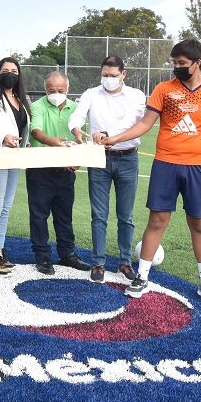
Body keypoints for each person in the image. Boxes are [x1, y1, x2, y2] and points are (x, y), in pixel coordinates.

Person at [106, 39, 201, 306]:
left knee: (198, 223)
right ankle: (141, 276)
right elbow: (145, 124)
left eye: (182, 64)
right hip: (166, 164)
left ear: (197, 63)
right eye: (174, 63)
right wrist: (116, 138)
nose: (176, 68)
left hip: (199, 167)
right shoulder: (163, 89)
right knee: (157, 220)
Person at [68, 55, 146, 283]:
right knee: (99, 215)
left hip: (128, 158)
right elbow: (77, 116)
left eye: (113, 75)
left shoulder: (136, 96)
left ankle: (125, 262)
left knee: (126, 215)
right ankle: (98, 263)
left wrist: (109, 135)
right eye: (105, 75)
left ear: (124, 74)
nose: (108, 79)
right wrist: (76, 129)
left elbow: (137, 125)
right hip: (99, 158)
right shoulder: (91, 94)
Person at [26, 72, 92, 275]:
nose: (56, 94)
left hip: (65, 171)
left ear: (68, 89)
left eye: (60, 91)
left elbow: (80, 138)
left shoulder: (76, 109)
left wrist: (77, 160)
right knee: (39, 215)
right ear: (45, 89)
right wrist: (54, 142)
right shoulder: (37, 106)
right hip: (40, 169)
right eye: (51, 91)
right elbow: (36, 131)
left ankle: (67, 254)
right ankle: (43, 257)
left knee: (64, 216)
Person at [0, 57, 30, 276]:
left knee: (6, 207)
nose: (10, 73)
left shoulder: (21, 99)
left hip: (14, 159)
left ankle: (0, 249)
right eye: (5, 70)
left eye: (14, 70)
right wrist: (4, 137)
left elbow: (23, 127)